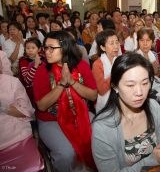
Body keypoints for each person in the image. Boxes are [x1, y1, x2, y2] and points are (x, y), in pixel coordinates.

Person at [92, 52, 160, 171]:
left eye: (144, 83)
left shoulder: (153, 107)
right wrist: (151, 160)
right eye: (130, 85)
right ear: (115, 87)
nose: (139, 92)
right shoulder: (102, 128)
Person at [33, 31, 97, 171]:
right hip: (52, 120)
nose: (47, 52)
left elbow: (93, 96)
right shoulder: (42, 71)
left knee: (101, 139)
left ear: (65, 47)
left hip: (81, 114)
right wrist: (61, 84)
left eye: (52, 48)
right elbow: (42, 106)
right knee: (66, 153)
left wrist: (73, 82)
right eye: (45, 47)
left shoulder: (81, 66)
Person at [0, 61, 43, 172]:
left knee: (32, 167)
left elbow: (26, 111)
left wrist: (3, 107)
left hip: (16, 136)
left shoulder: (12, 82)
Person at [92, 29, 121, 113]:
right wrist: (116, 71)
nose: (116, 46)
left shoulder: (119, 60)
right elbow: (101, 90)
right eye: (111, 43)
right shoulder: (97, 64)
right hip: (105, 102)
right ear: (102, 47)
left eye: (117, 42)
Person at [18, 37, 42, 104]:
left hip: (41, 90)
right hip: (29, 91)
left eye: (33, 48)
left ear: (39, 49)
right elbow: (27, 80)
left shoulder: (43, 59)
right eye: (28, 48)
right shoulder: (23, 61)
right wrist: (35, 66)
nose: (30, 50)